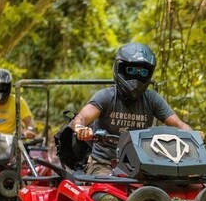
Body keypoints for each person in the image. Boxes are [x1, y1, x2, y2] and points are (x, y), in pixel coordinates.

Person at [70, 42, 198, 175]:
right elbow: (82, 117)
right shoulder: (106, 96)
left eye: (142, 72)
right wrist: (81, 128)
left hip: (141, 163)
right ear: (120, 69)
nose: (136, 78)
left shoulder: (152, 99)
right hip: (104, 163)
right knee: (107, 195)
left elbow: (178, 124)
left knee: (168, 188)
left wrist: (194, 136)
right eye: (130, 70)